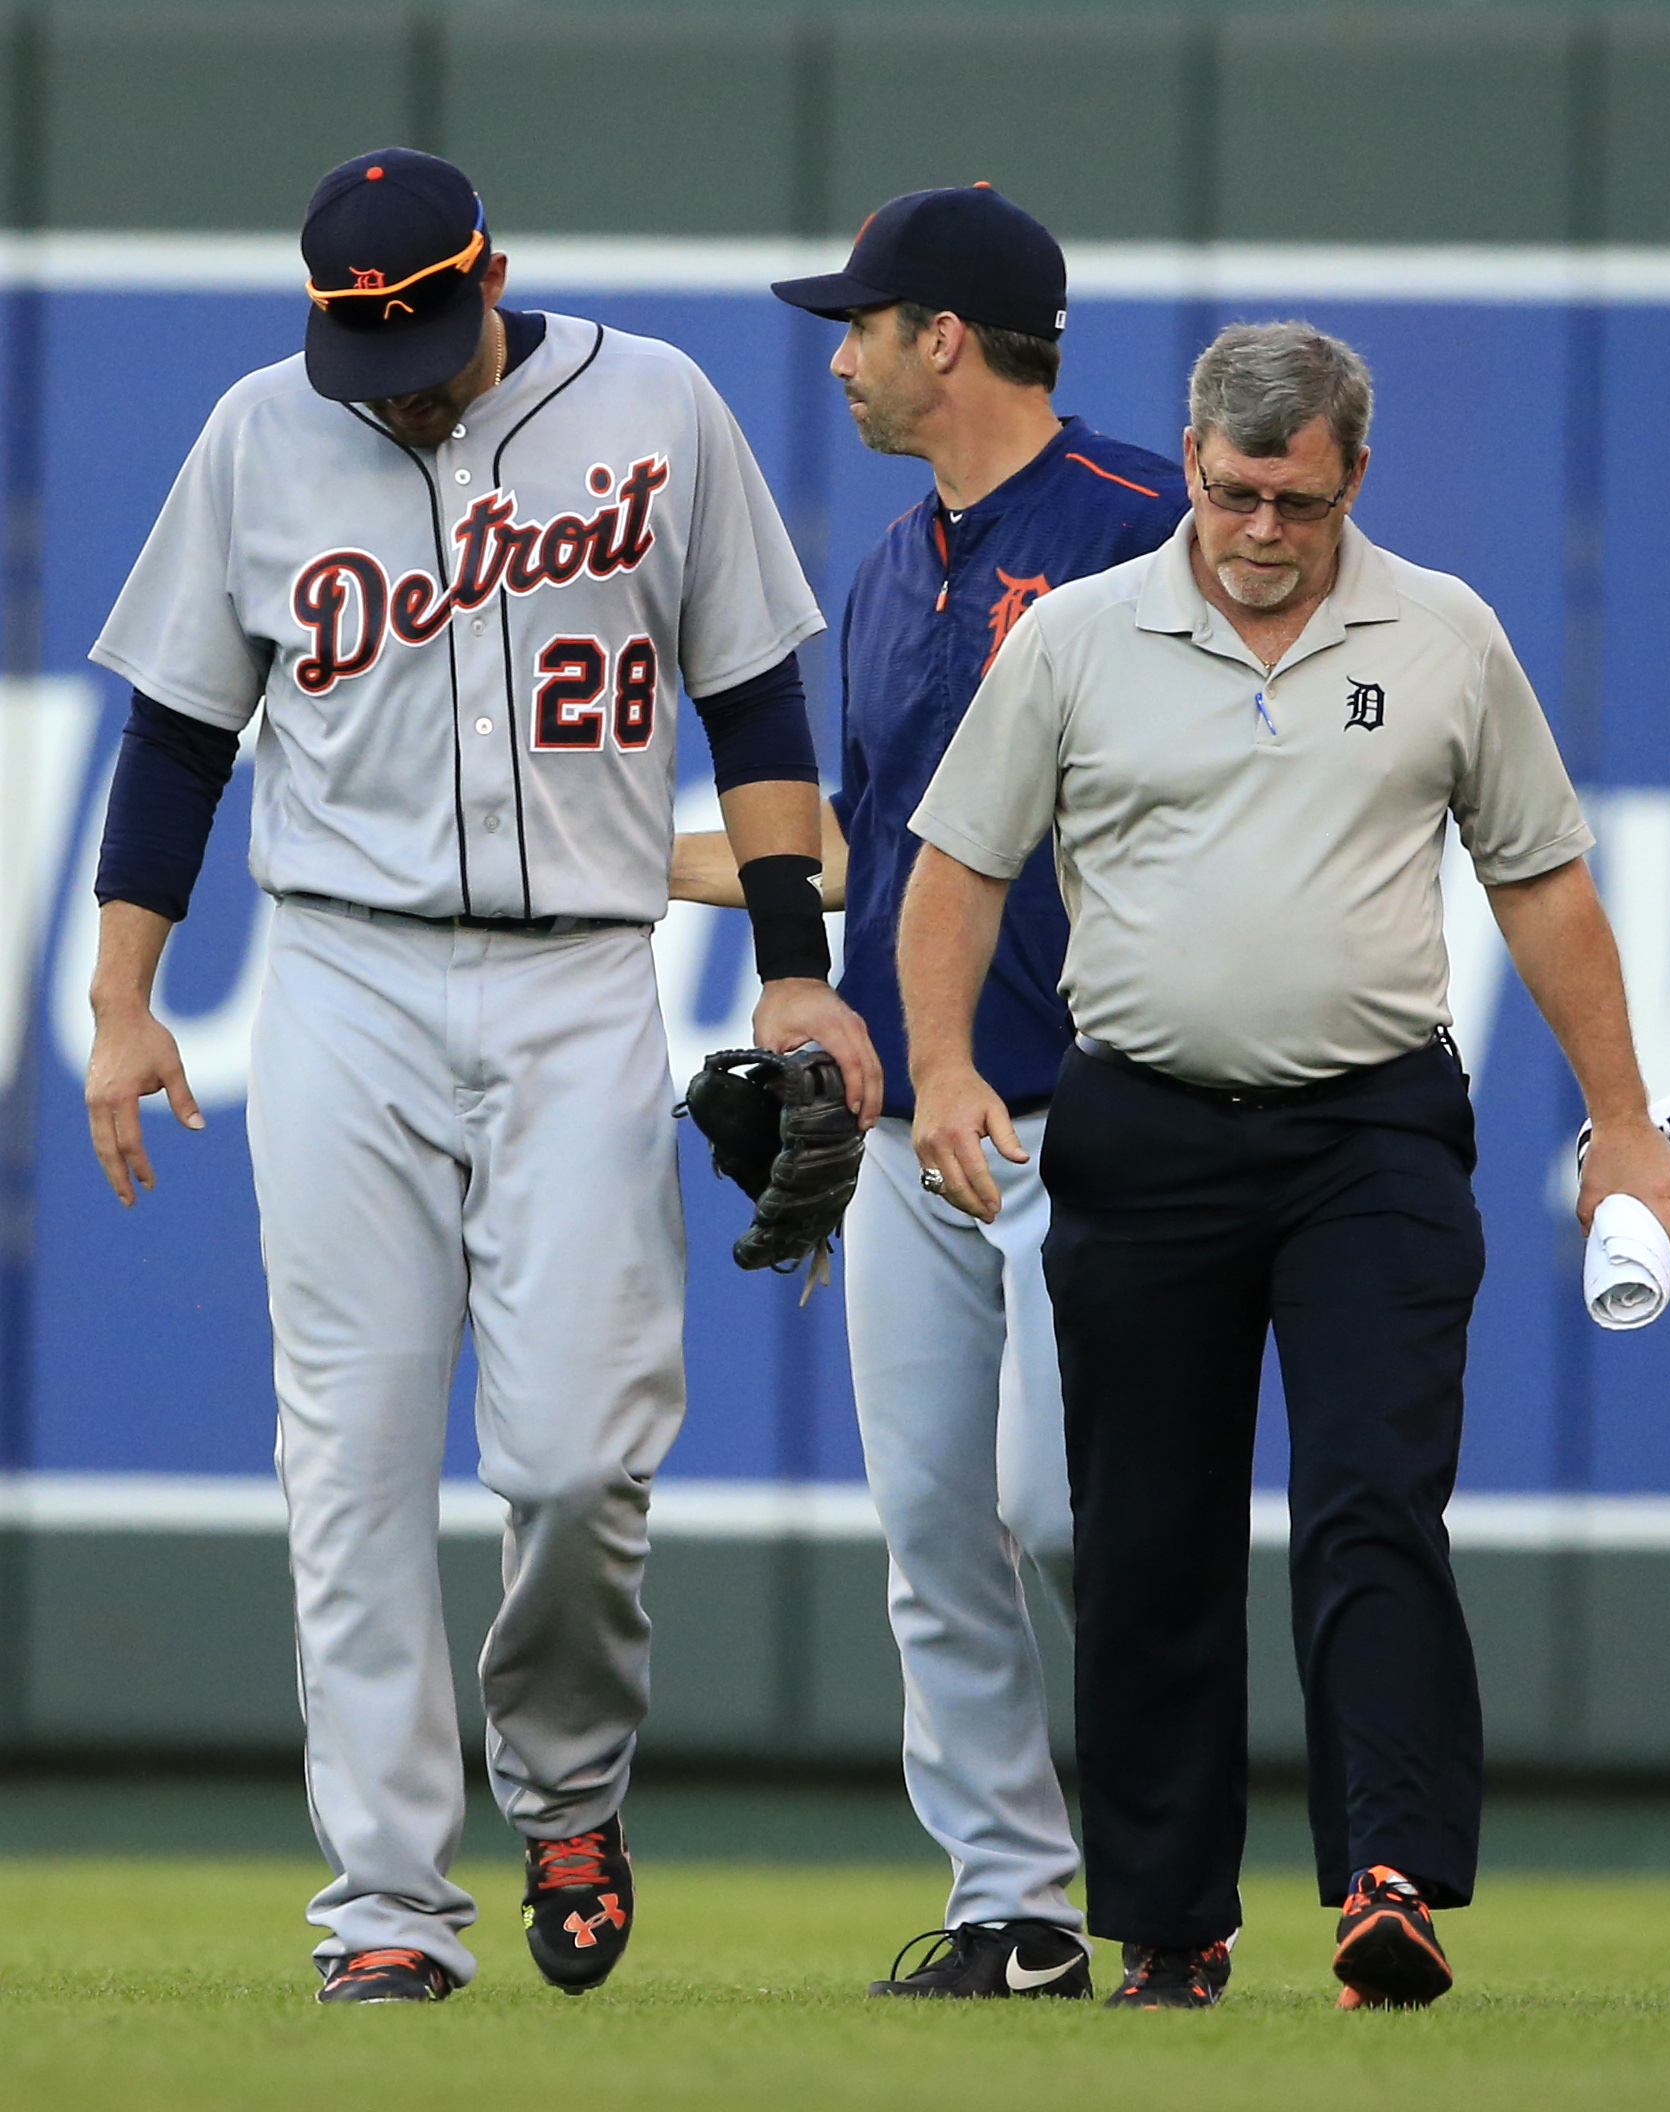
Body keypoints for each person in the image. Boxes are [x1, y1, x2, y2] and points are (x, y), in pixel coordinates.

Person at [82, 146, 877, 2004]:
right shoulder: (261, 434)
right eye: (369, 347)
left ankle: (572, 1787)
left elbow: (754, 698)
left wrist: (792, 976)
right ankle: (382, 1907)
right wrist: (127, 999)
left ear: (491, 274)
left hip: (583, 974)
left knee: (580, 1459)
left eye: (429, 335)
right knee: (349, 1467)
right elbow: (180, 734)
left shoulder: (655, 406)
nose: (408, 377)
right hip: (342, 976)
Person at [897, 320, 1670, 2010]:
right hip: (1143, 1123)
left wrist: (1623, 1115)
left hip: (1371, 1132)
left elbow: (1542, 881)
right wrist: (949, 1067)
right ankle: (1174, 1926)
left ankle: (1387, 1876)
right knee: (1148, 1535)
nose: (1264, 530)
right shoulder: (1082, 639)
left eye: (1300, 502)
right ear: (1191, 462)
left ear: (1354, 481)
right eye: (1239, 492)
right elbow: (958, 864)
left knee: (1372, 1504)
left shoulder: (1447, 633)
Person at [671, 185, 1185, 1999]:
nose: (843, 354)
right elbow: (861, 835)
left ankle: (1164, 1872)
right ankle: (1015, 1908)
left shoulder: (1156, 524)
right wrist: (607, 858)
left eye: (864, 323)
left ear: (942, 338)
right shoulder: (898, 561)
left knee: (1059, 1507)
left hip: (1096, 1107)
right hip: (906, 1124)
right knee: (931, 1529)